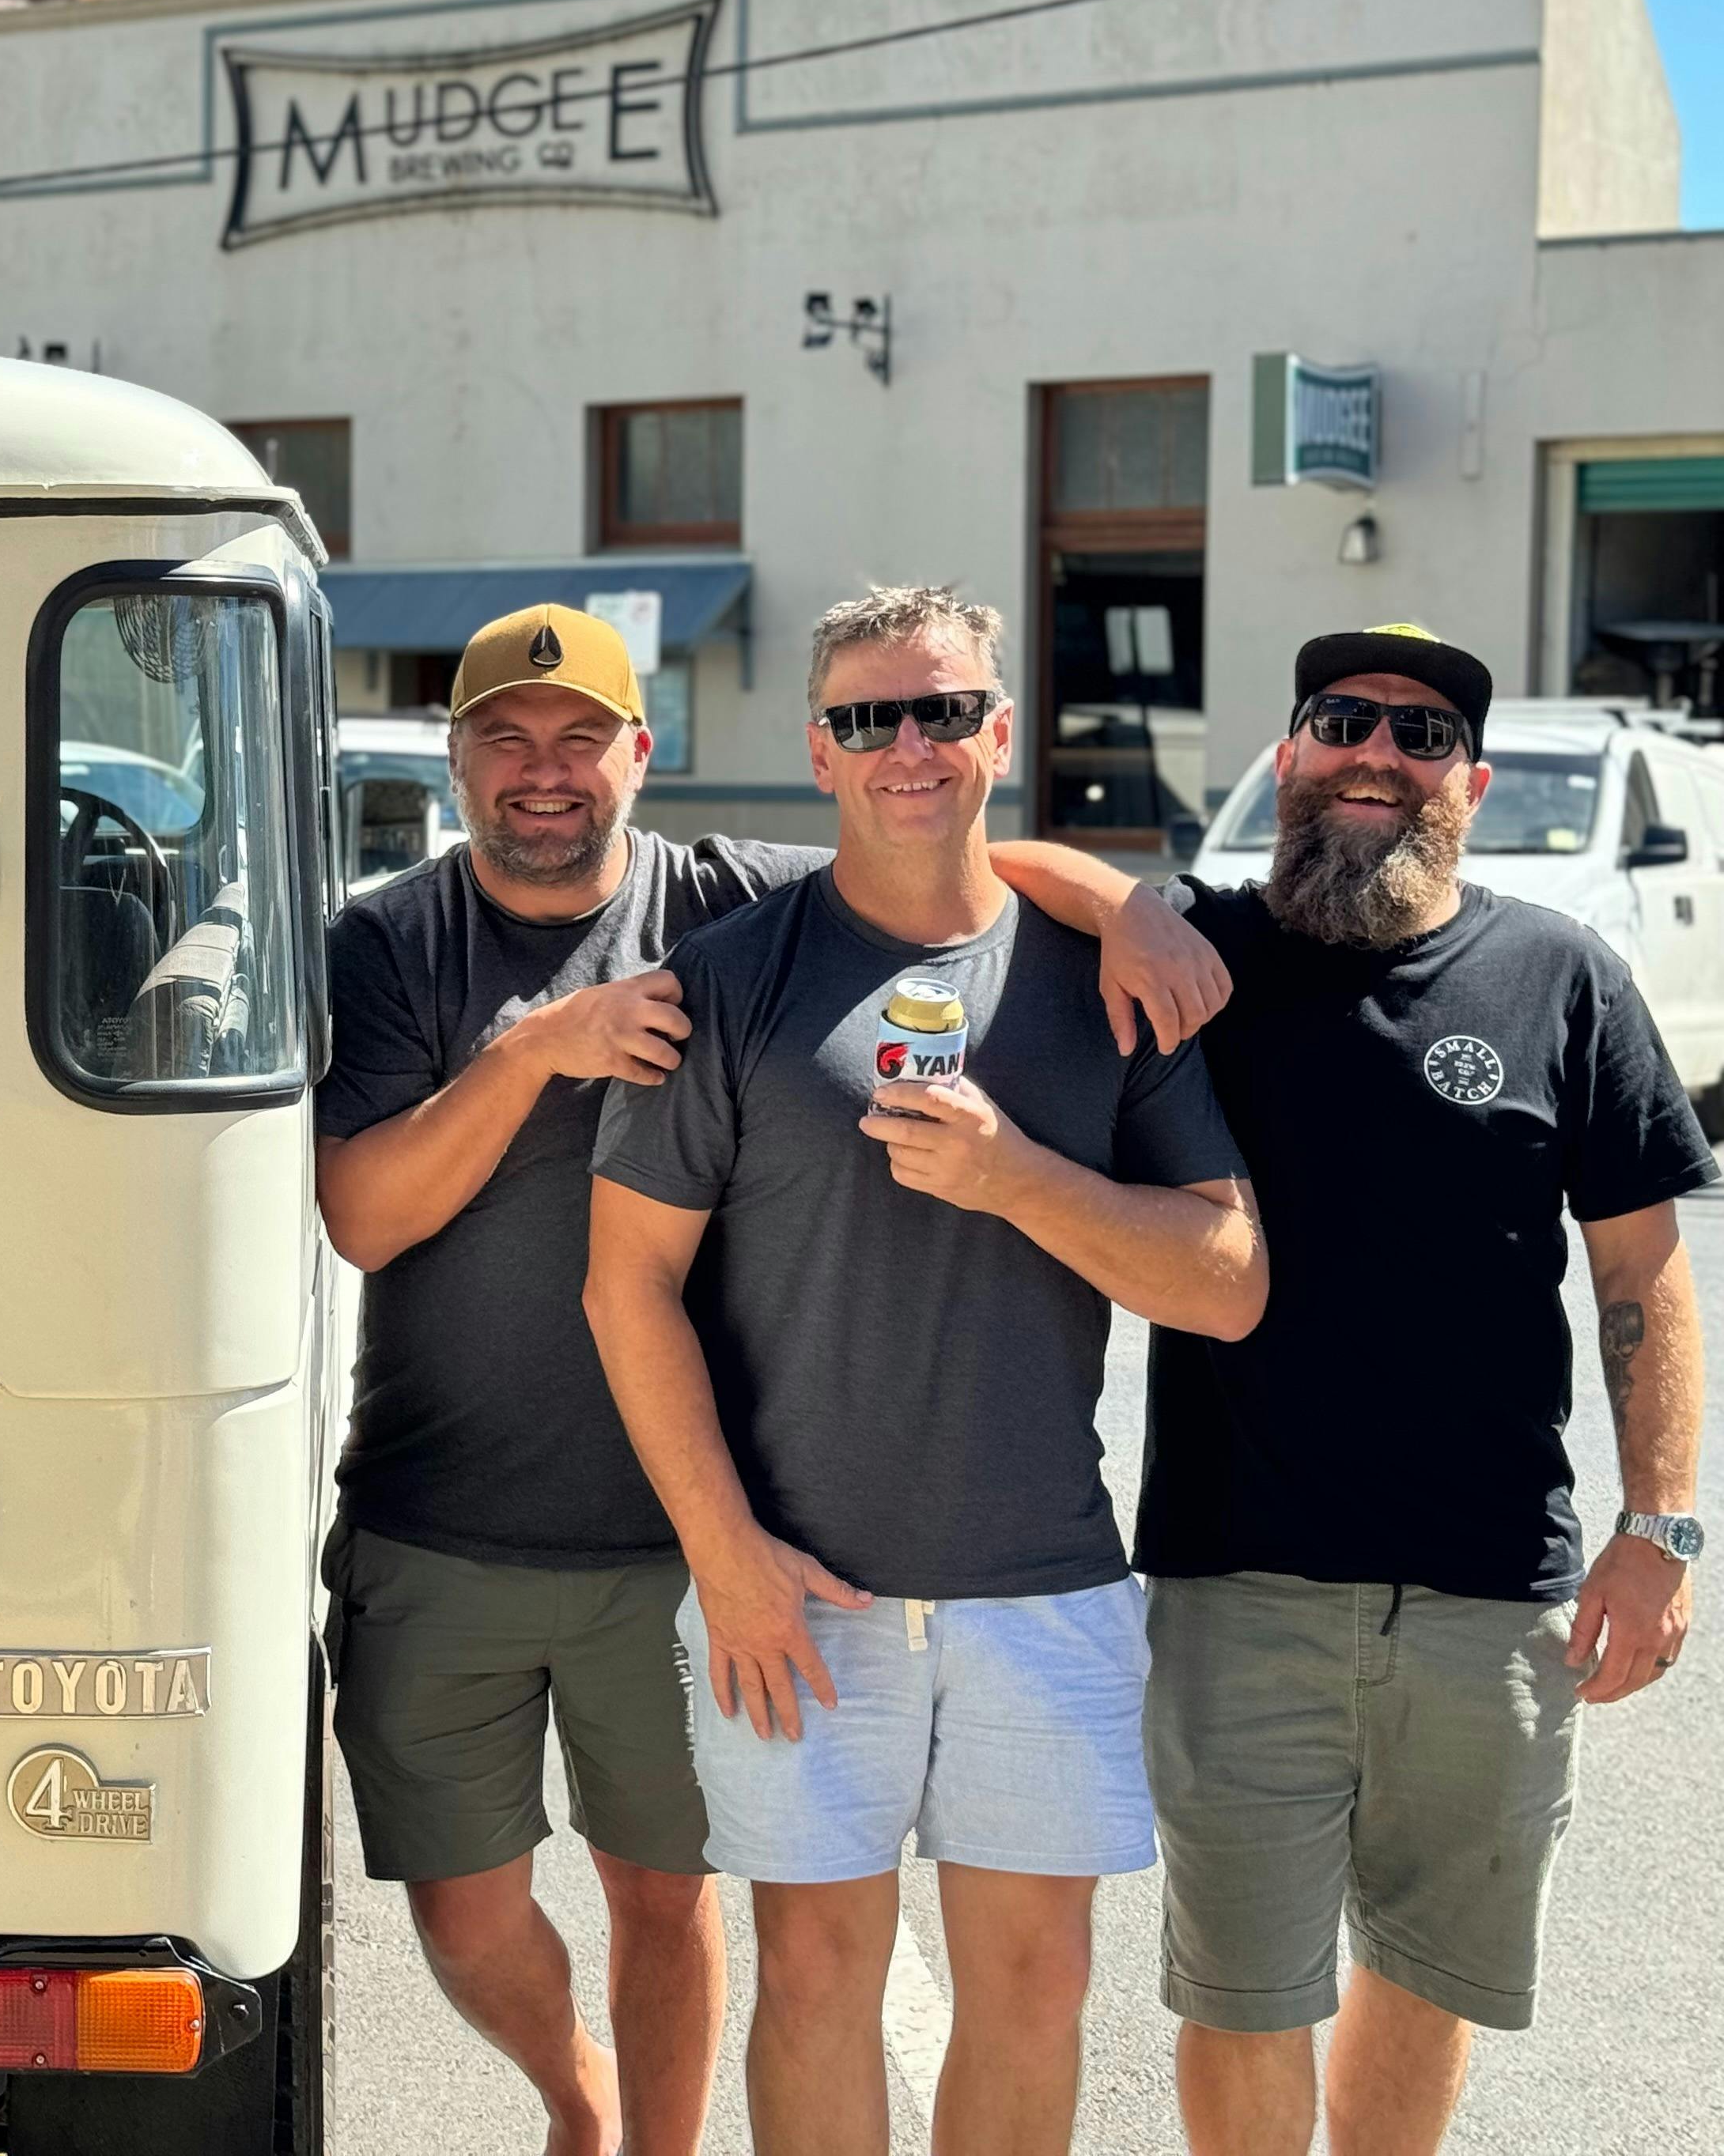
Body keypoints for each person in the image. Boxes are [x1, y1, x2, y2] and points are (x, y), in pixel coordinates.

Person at [315, 598, 1228, 2156]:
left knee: (696, 1915)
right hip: (462, 1513)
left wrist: (1127, 902)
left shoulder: (723, 899)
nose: (545, 773)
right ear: (457, 762)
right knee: (481, 1925)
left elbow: (939, 862)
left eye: (580, 739)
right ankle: (578, 2102)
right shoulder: (396, 940)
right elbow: (370, 1218)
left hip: (688, 1531)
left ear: (640, 754)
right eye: (507, 742)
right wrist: (536, 1052)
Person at [582, 583, 1268, 2156]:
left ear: (1000, 734)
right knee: (816, 1977)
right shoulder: (731, 983)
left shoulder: (1112, 985)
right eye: (868, 717)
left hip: (1046, 1582)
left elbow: (1228, 1290)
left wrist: (1019, 1177)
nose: (909, 744)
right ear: (818, 750)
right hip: (794, 1592)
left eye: (944, 709)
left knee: (1034, 1988)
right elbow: (627, 1288)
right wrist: (724, 1552)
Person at [1133, 625, 1711, 2156]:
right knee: (1238, 1993)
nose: (1380, 752)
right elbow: (1006, 868)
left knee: (1426, 1976)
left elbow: (1646, 1272)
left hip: (1485, 1601)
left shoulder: (1560, 975)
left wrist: (1668, 1528)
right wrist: (1124, 899)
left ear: (1474, 778)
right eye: (1344, 718)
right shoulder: (1202, 957)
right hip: (1236, 1584)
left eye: (1423, 733)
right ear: (1292, 749)